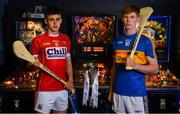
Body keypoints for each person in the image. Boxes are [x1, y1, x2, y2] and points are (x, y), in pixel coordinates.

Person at [108, 5, 159, 113]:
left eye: (132, 17)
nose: (128, 20)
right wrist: (111, 91)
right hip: (118, 94)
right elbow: (114, 69)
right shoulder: (116, 41)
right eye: (126, 17)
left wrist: (135, 66)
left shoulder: (146, 41)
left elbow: (155, 69)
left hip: (136, 95)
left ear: (138, 19)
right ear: (122, 19)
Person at [30, 7, 74, 113]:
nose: (55, 23)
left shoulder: (66, 39)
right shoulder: (37, 40)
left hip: (62, 87)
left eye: (57, 19)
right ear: (46, 21)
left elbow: (68, 62)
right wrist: (32, 64)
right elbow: (31, 64)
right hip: (44, 90)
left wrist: (71, 80)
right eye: (51, 19)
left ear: (61, 20)